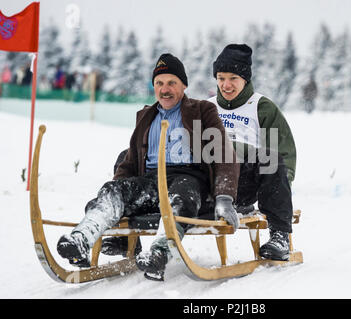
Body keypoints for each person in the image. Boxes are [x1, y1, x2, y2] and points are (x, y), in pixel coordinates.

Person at [56, 53, 240, 281]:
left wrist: (224, 197)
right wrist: (117, 191)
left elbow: (224, 152)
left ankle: (159, 253)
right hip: (151, 180)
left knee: (181, 197)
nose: (165, 89)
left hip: (189, 178)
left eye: (172, 83)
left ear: (183, 85)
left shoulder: (202, 110)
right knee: (112, 190)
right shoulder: (146, 116)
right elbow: (131, 161)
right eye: (159, 83)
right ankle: (81, 239)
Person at [208, 44, 297, 261]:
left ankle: (279, 236)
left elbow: (281, 157)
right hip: (210, 184)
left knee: (270, 158)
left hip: (245, 185)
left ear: (245, 79)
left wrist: (280, 190)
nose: (226, 85)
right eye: (221, 78)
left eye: (233, 78)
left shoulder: (262, 108)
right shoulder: (206, 107)